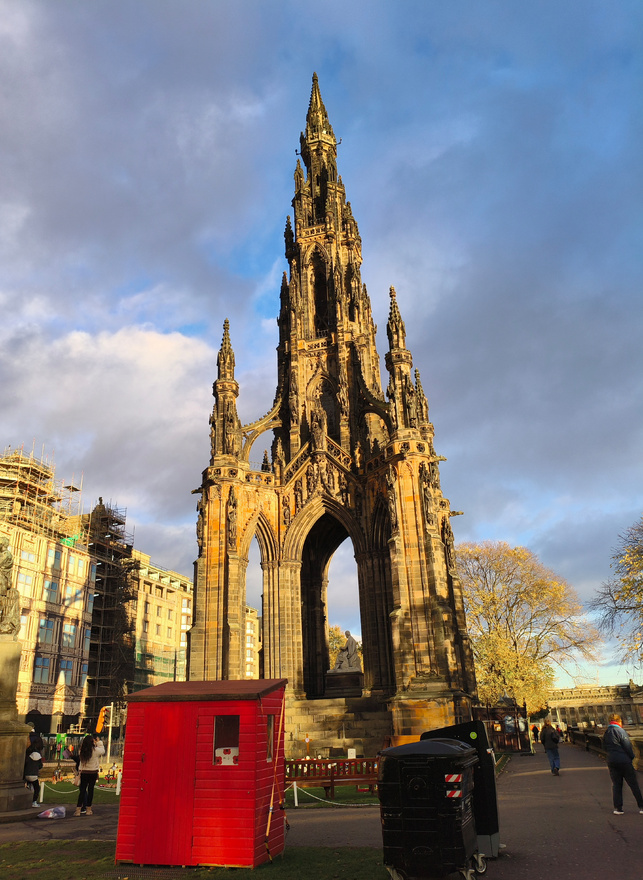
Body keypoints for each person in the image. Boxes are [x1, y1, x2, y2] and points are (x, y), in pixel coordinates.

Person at [602, 713, 643, 815]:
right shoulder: (620, 731)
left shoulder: (606, 732)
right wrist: (632, 757)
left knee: (616, 785)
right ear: (619, 721)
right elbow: (627, 746)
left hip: (612, 761)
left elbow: (604, 747)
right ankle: (641, 806)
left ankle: (618, 808)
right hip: (624, 761)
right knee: (633, 784)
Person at [74, 733, 105, 816]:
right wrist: (98, 742)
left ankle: (78, 810)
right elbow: (102, 750)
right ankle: (88, 809)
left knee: (82, 791)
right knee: (91, 791)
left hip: (84, 772)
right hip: (93, 772)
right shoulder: (95, 751)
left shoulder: (81, 751)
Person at [24, 735, 44, 807]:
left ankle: (26, 800)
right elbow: (40, 766)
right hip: (34, 775)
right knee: (37, 788)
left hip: (27, 774)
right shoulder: (38, 756)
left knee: (28, 786)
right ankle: (34, 801)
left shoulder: (29, 754)